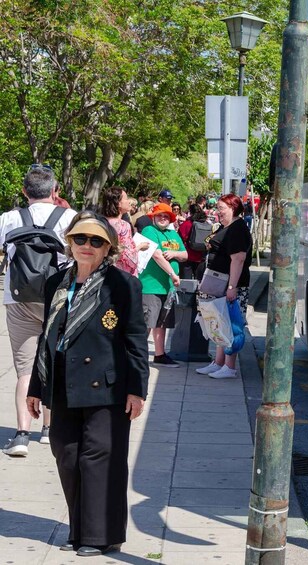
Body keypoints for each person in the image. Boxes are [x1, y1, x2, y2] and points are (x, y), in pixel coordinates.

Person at [26, 211, 147, 557]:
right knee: (66, 454)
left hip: (107, 386)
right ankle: (79, 529)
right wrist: (36, 386)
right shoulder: (56, 283)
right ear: (70, 242)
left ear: (107, 247)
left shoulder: (123, 285)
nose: (87, 246)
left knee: (100, 458)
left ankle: (101, 535)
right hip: (62, 380)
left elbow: (136, 340)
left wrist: (137, 389)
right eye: (80, 239)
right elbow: (47, 337)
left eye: (96, 241)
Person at [1, 165, 77, 456]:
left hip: (18, 298)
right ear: (55, 191)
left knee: (24, 367)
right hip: (57, 297)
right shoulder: (69, 218)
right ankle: (48, 428)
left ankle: (21, 434)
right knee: (54, 361)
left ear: (24, 191)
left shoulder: (9, 218)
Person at [196, 193, 252, 379]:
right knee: (219, 321)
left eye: (221, 208)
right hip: (220, 282)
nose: (217, 212)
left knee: (230, 323)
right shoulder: (226, 227)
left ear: (233, 208)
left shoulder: (237, 228)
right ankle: (219, 362)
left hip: (230, 284)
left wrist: (232, 287)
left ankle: (229, 366)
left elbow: (238, 259)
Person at [138, 203, 187, 367]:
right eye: (159, 215)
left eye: (166, 216)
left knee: (162, 322)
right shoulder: (149, 231)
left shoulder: (173, 234)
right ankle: (136, 356)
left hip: (168, 287)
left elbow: (185, 254)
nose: (163, 218)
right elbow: (157, 255)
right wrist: (173, 274)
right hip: (151, 285)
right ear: (154, 217)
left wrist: (174, 253)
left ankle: (160, 354)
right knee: (146, 323)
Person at [99, 186, 144, 276]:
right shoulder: (123, 225)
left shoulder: (100, 222)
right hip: (121, 274)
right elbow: (128, 257)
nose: (128, 202)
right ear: (118, 203)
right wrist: (140, 247)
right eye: (126, 199)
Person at [177, 203, 209, 280]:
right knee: (199, 281)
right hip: (201, 256)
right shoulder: (206, 223)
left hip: (188, 256)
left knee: (186, 281)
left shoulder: (187, 224)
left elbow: (179, 238)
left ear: (190, 212)